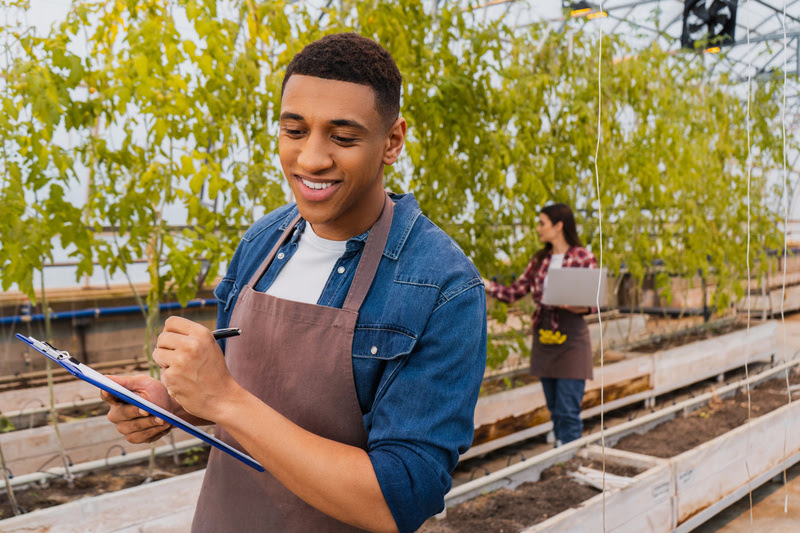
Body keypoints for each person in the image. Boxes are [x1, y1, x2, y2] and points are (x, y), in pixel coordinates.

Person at [100, 33, 487, 533]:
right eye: (294, 130)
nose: (310, 159)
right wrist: (170, 402)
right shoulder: (263, 242)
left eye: (343, 137)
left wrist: (222, 401)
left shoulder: (442, 286)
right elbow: (240, 381)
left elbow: (401, 497)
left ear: (392, 141)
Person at [484, 203, 597, 447]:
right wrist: (487, 285)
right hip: (545, 337)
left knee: (568, 410)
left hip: (572, 337)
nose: (538, 229)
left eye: (542, 223)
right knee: (555, 408)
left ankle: (570, 458)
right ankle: (561, 457)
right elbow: (515, 292)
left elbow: (594, 302)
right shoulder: (539, 260)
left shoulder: (583, 257)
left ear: (559, 226)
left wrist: (577, 305)